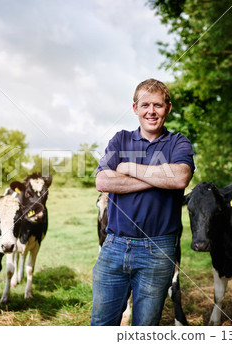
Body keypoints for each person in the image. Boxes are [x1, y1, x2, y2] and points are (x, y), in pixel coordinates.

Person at [91, 78, 195, 326]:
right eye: (145, 105)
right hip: (114, 245)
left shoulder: (178, 142)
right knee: (101, 325)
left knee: (145, 329)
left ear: (168, 108)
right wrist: (160, 177)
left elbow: (180, 177)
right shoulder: (121, 139)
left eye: (158, 105)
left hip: (158, 250)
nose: (151, 111)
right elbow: (103, 182)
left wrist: (127, 168)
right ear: (135, 108)